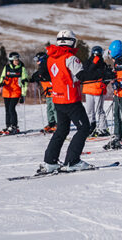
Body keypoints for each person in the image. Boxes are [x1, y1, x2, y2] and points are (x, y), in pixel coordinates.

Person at [37, 30, 94, 173]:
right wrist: (102, 74)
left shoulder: (50, 58)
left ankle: (50, 162)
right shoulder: (70, 58)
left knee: (62, 130)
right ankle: (72, 161)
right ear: (71, 42)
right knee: (84, 128)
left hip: (57, 99)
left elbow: (44, 74)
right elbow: (82, 76)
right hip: (71, 100)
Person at [80, 45, 114, 137]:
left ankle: (103, 128)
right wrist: (94, 64)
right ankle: (92, 126)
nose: (97, 56)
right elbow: (86, 73)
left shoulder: (103, 65)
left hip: (98, 89)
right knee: (89, 110)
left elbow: (106, 76)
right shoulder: (88, 63)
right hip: (89, 89)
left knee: (99, 110)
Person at [0, 52, 29, 135]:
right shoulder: (7, 67)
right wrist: (1, 83)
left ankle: (14, 126)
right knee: (7, 109)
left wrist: (23, 95)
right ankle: (8, 126)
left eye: (17, 59)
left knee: (12, 108)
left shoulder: (22, 69)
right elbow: (2, 77)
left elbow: (24, 83)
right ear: (11, 60)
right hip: (7, 91)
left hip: (16, 91)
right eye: (15, 60)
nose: (17, 61)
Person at [27, 52, 57, 133]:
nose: (36, 62)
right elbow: (36, 75)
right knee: (49, 108)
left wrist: (39, 77)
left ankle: (57, 124)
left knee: (54, 108)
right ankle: (51, 123)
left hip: (54, 92)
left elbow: (42, 74)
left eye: (38, 60)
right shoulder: (41, 67)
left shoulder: (47, 66)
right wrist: (31, 79)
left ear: (42, 59)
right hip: (48, 93)